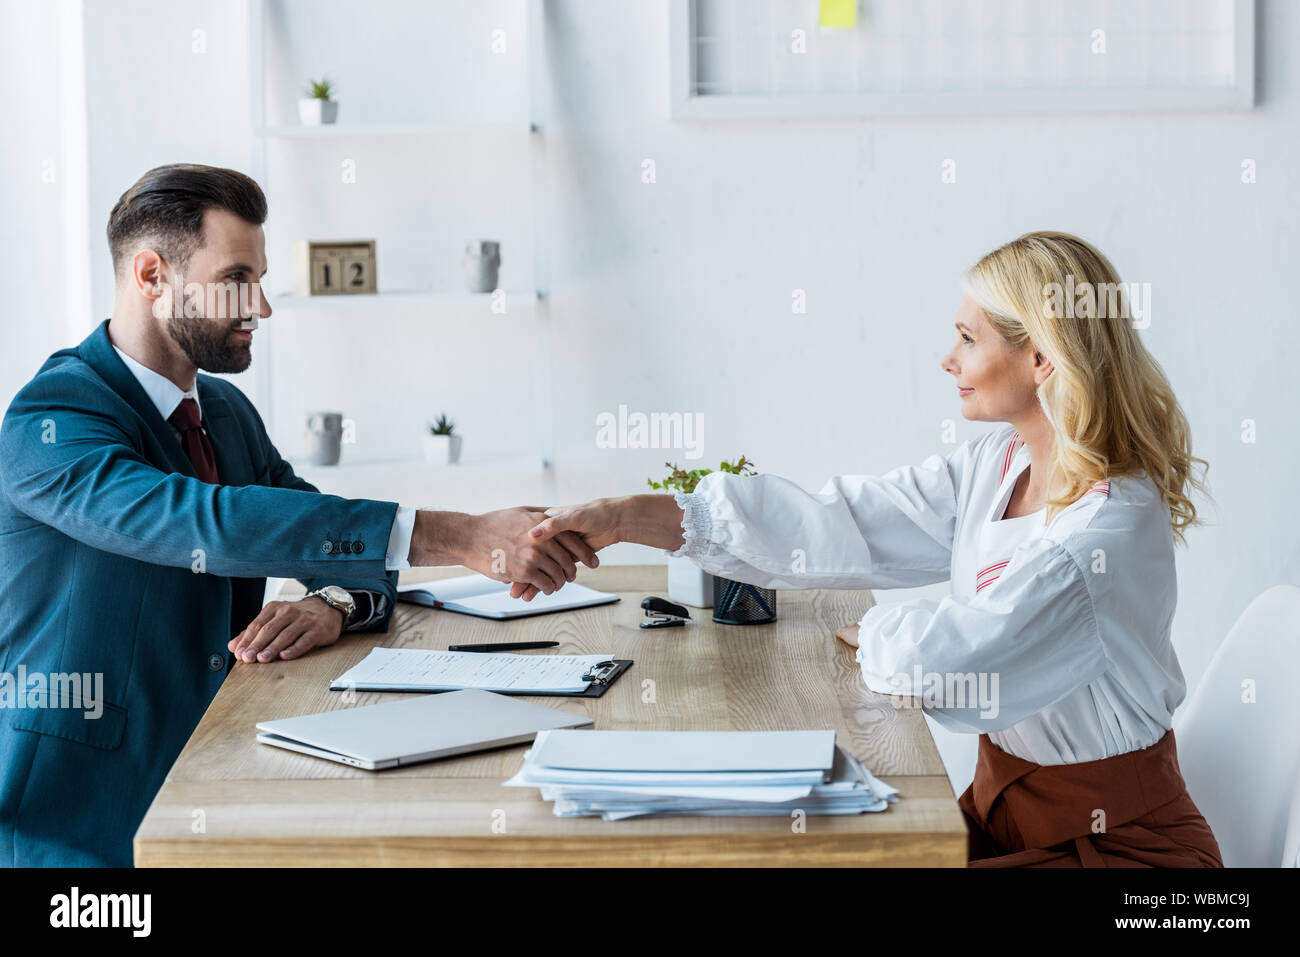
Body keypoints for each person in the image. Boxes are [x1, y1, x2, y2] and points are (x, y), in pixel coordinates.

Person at [525, 231, 1223, 868]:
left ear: (1040, 356)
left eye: (967, 338)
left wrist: (883, 628)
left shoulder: (1105, 530)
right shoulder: (999, 465)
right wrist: (629, 516)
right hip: (1006, 820)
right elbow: (844, 521)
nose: (947, 358)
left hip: (1120, 853)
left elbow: (943, 665)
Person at [0, 163, 597, 866]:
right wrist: (462, 534)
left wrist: (335, 600)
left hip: (216, 785)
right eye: (237, 279)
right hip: (74, 828)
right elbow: (205, 521)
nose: (262, 306)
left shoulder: (223, 412)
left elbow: (328, 536)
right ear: (152, 275)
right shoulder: (52, 419)